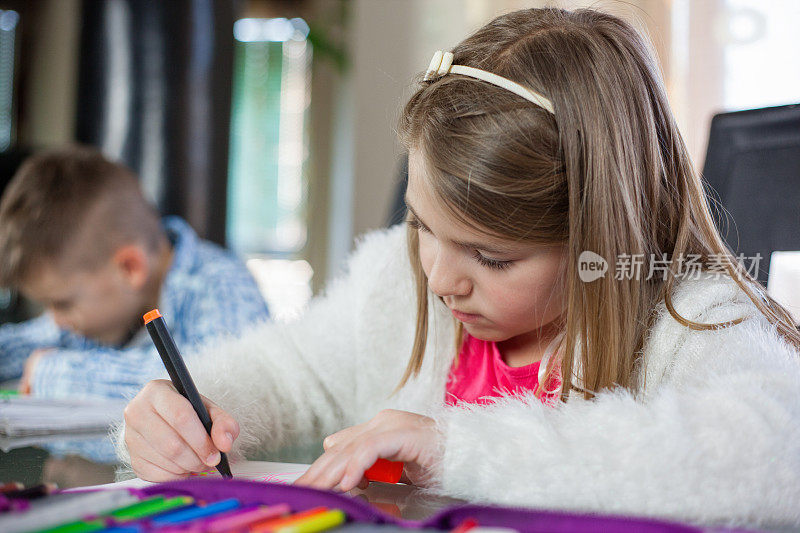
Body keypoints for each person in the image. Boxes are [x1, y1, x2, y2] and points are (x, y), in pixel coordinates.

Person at [118, 8, 800, 528]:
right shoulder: (398, 280)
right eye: (421, 225)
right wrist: (187, 407)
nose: (441, 277)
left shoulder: (688, 315)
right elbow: (283, 373)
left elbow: (779, 450)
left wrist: (456, 449)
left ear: (600, 233)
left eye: (492, 255)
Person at [0, 147, 270, 399]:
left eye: (61, 304)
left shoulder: (224, 285)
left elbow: (218, 388)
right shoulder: (91, 304)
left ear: (129, 268)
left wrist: (55, 374)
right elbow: (23, 345)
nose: (55, 319)